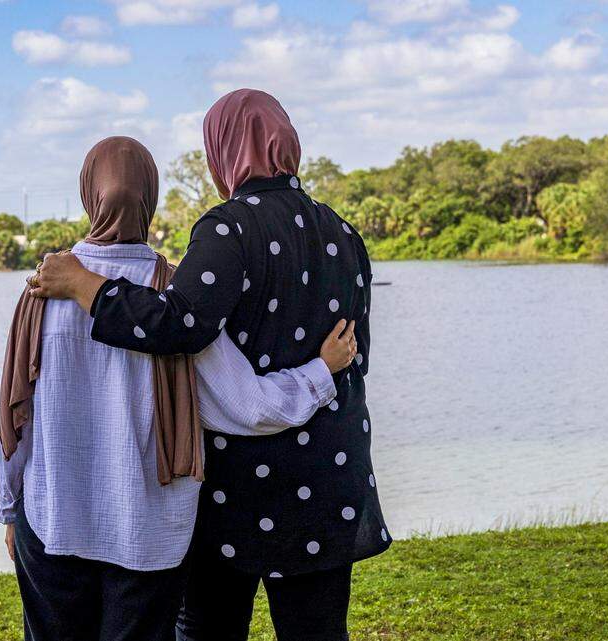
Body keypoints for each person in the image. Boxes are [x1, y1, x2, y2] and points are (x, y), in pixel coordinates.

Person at [30, 90, 390, 641]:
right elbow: (353, 352)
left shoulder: (228, 228)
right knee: (316, 631)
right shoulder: (343, 232)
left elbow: (180, 325)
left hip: (239, 485)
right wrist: (315, 372)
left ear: (224, 151)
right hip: (327, 469)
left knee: (208, 629)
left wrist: (88, 285)